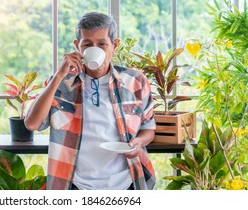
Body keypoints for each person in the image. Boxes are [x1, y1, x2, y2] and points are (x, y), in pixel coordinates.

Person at [24, 12, 156, 190]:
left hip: (126, 183)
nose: (96, 49)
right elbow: (32, 123)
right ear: (77, 46)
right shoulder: (62, 84)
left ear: (114, 45)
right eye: (87, 44)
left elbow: (149, 129)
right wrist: (59, 75)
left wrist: (137, 143)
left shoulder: (135, 81)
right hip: (76, 185)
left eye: (102, 44)